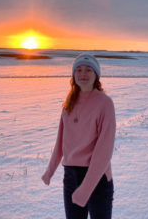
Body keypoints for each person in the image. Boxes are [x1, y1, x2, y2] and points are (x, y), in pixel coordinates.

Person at [42, 53, 116, 219]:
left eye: (88, 70)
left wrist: (85, 188)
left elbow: (104, 152)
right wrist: (50, 170)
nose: (83, 74)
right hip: (71, 176)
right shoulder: (69, 103)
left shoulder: (105, 103)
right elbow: (61, 142)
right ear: (73, 75)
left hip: (97, 178)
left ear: (96, 75)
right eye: (79, 70)